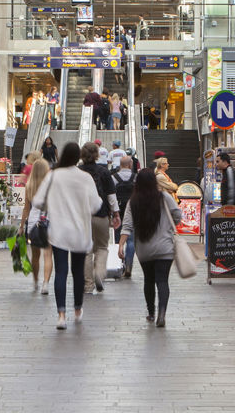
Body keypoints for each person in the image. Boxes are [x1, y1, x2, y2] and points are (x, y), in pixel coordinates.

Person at [30, 142, 100, 330]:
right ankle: (77, 310)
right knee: (78, 273)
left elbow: (37, 201)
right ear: (78, 157)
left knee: (61, 271)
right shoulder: (85, 178)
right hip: (80, 232)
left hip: (59, 231)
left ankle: (61, 315)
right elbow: (96, 205)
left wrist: (52, 205)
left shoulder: (53, 176)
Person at [119, 164, 184, 329]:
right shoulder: (164, 197)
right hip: (165, 248)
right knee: (162, 281)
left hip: (144, 249)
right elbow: (177, 214)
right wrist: (170, 226)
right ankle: (162, 313)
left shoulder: (133, 201)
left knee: (149, 280)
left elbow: (126, 225)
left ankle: (151, 312)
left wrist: (121, 245)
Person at [78, 141, 118, 295]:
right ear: (97, 154)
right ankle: (99, 273)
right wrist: (116, 213)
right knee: (102, 247)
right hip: (101, 214)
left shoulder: (78, 171)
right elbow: (111, 196)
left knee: (86, 251)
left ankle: (88, 285)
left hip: (82, 216)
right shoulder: (104, 172)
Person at [21, 156, 52, 294]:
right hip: (49, 220)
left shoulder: (29, 185)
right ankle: (46, 284)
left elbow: (26, 208)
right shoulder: (51, 185)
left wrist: (22, 226)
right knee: (48, 254)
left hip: (33, 222)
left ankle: (35, 281)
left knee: (35, 255)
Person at [113, 154, 138, 279]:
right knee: (131, 239)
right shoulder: (136, 178)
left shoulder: (114, 178)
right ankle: (129, 265)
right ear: (130, 164)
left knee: (118, 239)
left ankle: (120, 264)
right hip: (133, 210)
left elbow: (110, 195)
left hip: (118, 210)